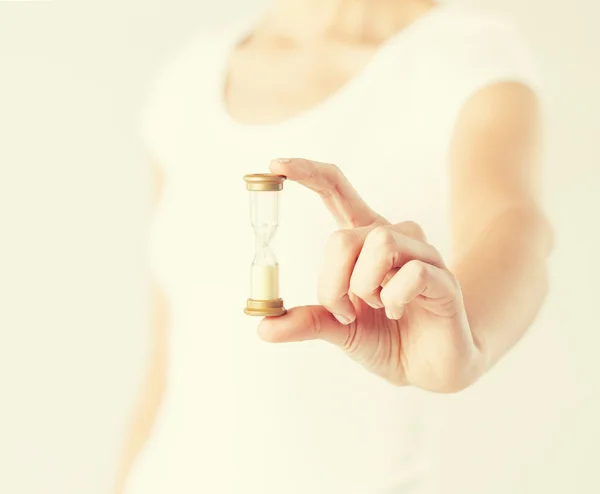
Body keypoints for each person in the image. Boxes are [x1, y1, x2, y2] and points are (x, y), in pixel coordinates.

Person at [117, 0, 552, 493]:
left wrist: (471, 336)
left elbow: (514, 226)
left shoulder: (461, 54)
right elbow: (165, 364)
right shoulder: (190, 78)